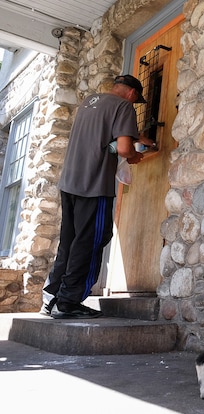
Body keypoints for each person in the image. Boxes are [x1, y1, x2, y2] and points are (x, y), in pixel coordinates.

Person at [41, 74, 154, 319]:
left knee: (69, 241)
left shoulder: (89, 102)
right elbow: (122, 148)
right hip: (95, 184)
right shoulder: (124, 106)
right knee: (92, 239)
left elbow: (101, 139)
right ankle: (69, 302)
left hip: (70, 181)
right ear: (133, 94)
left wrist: (137, 137)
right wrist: (133, 156)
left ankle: (51, 298)